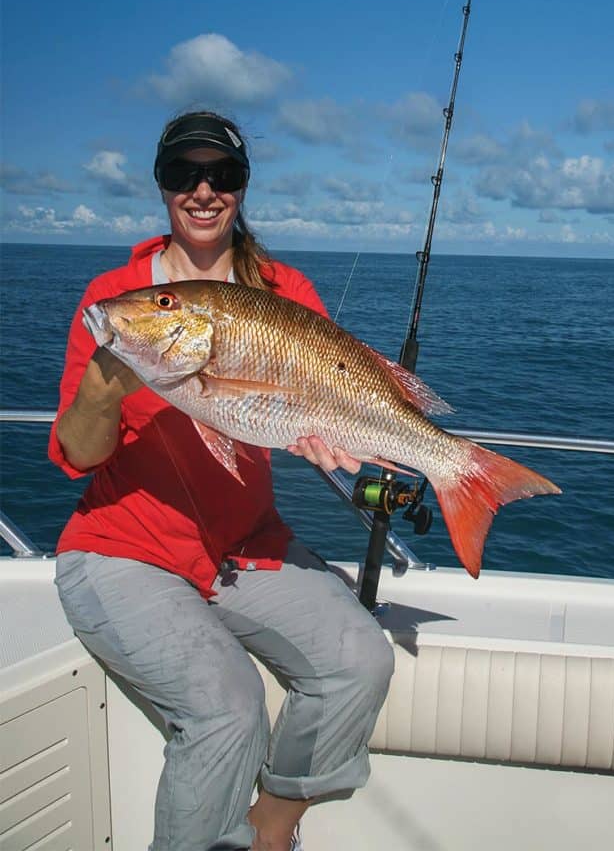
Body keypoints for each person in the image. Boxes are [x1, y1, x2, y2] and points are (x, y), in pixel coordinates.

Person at [49, 110, 395, 851]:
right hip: (124, 550)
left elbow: (307, 397)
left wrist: (331, 429)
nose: (203, 191)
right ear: (161, 185)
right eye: (183, 174)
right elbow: (77, 455)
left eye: (223, 175)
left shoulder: (282, 288)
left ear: (241, 187)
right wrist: (104, 389)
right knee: (227, 708)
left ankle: (268, 833)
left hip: (245, 548)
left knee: (360, 660)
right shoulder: (118, 298)